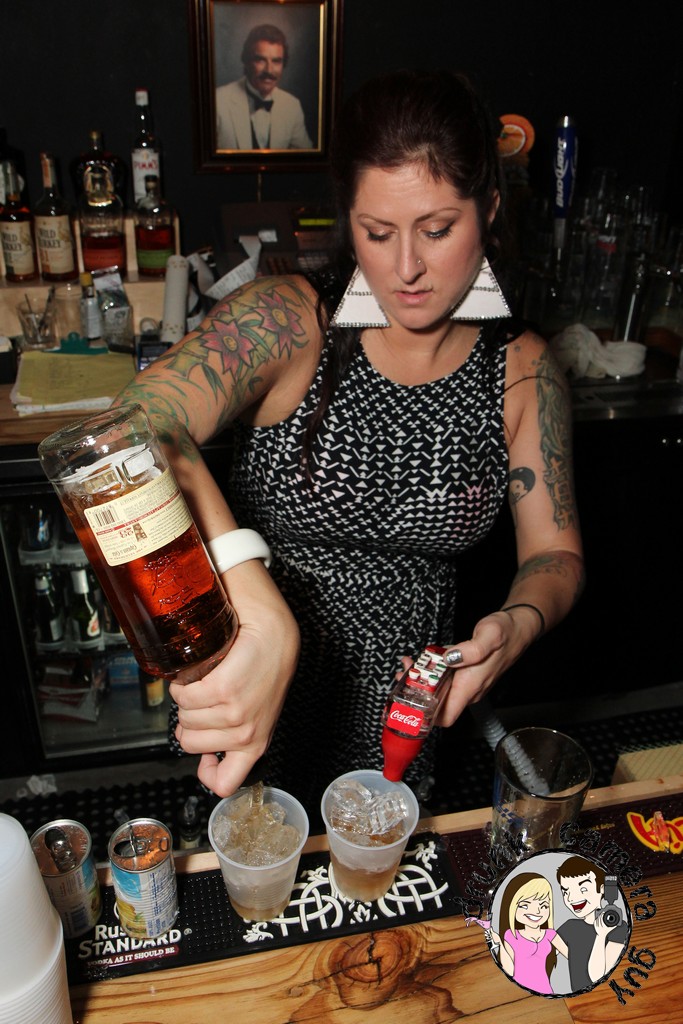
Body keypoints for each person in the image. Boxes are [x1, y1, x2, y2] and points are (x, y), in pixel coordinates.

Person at [113, 69, 584, 816]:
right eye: (377, 232)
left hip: (406, 709)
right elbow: (131, 431)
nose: (406, 268)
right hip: (256, 684)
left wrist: (517, 624)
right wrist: (257, 601)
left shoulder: (523, 371)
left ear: (489, 209)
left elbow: (554, 553)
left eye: (437, 230)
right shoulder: (290, 321)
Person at [216, 24, 313, 150]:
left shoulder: (292, 106)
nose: (269, 70)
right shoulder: (218, 101)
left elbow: (305, 157)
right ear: (246, 61)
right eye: (260, 60)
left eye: (276, 61)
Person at [486, 872, 568, 995]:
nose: (536, 911)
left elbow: (573, 957)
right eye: (525, 905)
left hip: (546, 990)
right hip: (519, 992)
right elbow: (509, 971)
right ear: (512, 906)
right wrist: (500, 944)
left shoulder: (550, 934)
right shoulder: (511, 936)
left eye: (544, 906)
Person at [556, 856, 629, 991]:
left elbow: (597, 977)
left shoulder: (618, 928)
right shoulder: (570, 927)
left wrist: (601, 936)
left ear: (602, 889)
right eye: (565, 892)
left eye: (583, 889)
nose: (571, 898)